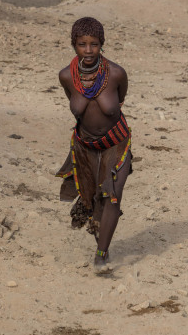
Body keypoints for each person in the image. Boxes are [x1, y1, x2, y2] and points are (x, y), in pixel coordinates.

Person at [56, 17, 132, 273]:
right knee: (92, 199)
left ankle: (101, 254)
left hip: (116, 144)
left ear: (102, 44)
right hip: (84, 147)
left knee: (112, 195)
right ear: (73, 45)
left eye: (94, 45)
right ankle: (100, 235)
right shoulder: (66, 76)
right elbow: (75, 106)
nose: (88, 51)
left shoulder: (117, 73)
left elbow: (119, 101)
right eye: (82, 44)